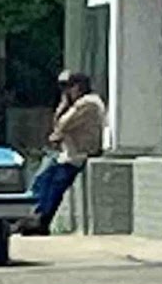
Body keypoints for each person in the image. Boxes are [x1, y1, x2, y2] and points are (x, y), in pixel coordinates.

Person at [20, 70, 105, 235]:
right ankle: (34, 216)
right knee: (42, 178)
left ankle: (41, 219)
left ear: (79, 87)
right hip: (70, 154)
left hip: (80, 154)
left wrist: (64, 104)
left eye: (68, 87)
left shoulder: (88, 103)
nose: (65, 92)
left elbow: (63, 124)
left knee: (51, 181)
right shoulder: (80, 104)